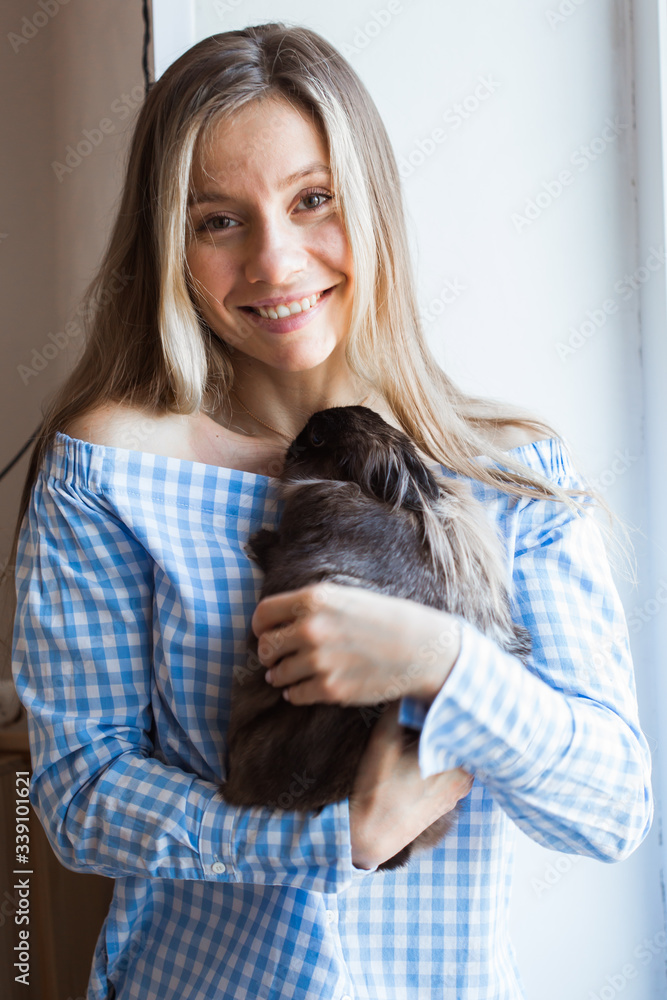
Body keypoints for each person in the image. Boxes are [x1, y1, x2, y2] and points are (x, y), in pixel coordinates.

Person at [9, 22, 652, 1000]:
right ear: (168, 242)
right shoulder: (108, 474)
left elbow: (609, 807)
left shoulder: (505, 474)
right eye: (217, 220)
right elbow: (79, 794)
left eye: (313, 201)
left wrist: (439, 663)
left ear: (373, 207)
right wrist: (328, 839)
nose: (276, 263)